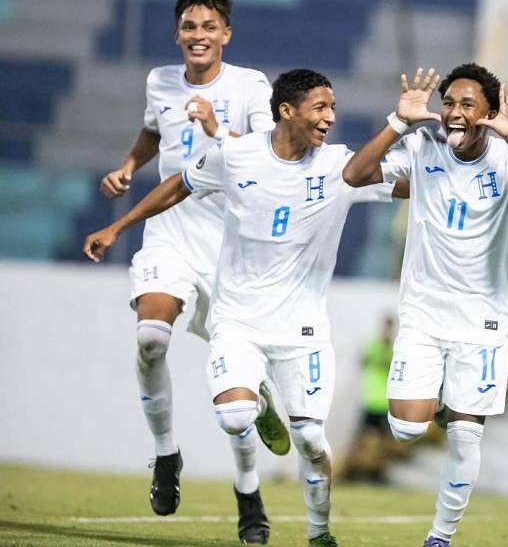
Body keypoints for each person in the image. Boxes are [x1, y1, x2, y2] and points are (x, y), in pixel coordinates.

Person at [85, 68, 409, 547]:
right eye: (321, 107)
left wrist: (450, 157)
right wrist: (119, 227)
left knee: (313, 444)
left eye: (333, 108)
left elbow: (410, 184)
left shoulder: (341, 167)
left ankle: (319, 533)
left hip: (302, 332)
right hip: (237, 323)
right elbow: (178, 185)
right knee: (234, 417)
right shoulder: (237, 156)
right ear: (287, 111)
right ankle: (256, 405)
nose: (331, 118)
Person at [97, 0, 287, 543]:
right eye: (189, 26)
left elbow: (271, 150)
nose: (198, 35)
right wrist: (130, 166)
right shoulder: (160, 81)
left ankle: (248, 494)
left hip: (234, 248)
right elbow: (155, 131)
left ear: (226, 34)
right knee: (152, 338)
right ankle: (166, 456)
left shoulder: (250, 86)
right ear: (178, 33)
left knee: (237, 400)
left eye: (209, 26)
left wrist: (215, 130)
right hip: (170, 236)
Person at [342, 64, 508, 546]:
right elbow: (355, 175)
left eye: (468, 106)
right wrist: (399, 122)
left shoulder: (507, 156)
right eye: (450, 104)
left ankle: (440, 536)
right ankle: (441, 399)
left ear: (490, 114)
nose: (455, 114)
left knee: (465, 435)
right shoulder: (423, 148)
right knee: (404, 430)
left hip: (481, 324)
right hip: (423, 316)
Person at [344, 314, 396, 483]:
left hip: (385, 402)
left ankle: (379, 472)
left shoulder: (395, 348)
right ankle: (350, 471)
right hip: (370, 400)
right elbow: (361, 362)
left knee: (385, 443)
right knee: (359, 439)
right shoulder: (373, 346)